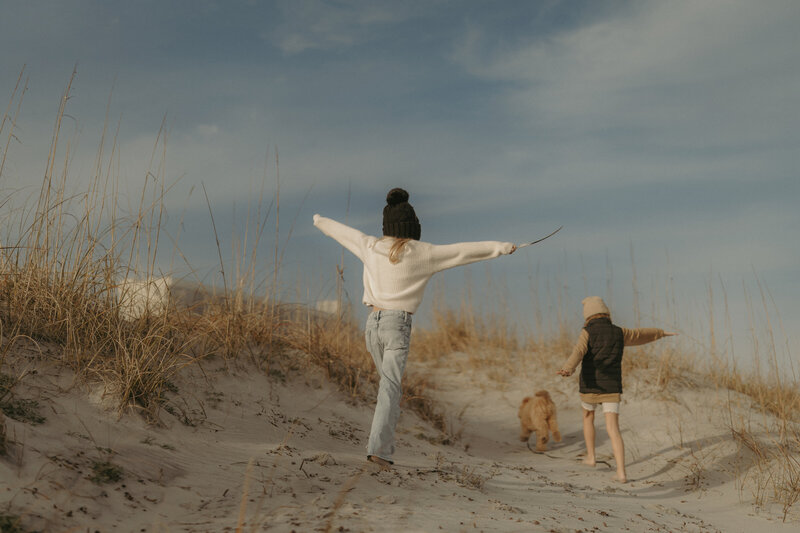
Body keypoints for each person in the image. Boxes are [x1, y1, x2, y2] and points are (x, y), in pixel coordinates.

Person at [313, 188, 516, 469]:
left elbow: (342, 232)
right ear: (412, 228)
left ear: (387, 227)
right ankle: (379, 452)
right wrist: (501, 247)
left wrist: (319, 220)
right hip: (397, 325)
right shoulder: (423, 253)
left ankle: (382, 447)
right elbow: (463, 251)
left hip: (372, 325)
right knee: (390, 389)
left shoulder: (370, 246)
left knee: (387, 388)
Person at [556, 296, 676, 483]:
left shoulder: (587, 331)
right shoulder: (619, 332)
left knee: (588, 417)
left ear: (588, 315)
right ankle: (621, 472)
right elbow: (640, 334)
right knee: (613, 428)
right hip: (612, 386)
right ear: (606, 314)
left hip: (591, 384)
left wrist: (568, 368)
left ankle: (591, 457)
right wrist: (661, 333)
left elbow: (578, 351)